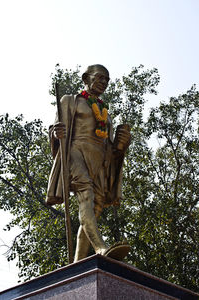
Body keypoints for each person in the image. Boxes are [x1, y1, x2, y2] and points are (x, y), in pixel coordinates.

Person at [46, 64, 131, 262]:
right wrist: (56, 134)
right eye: (100, 77)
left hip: (99, 160)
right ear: (86, 78)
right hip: (76, 152)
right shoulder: (70, 101)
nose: (103, 82)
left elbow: (109, 144)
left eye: (107, 80)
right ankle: (100, 247)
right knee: (86, 195)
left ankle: (77, 263)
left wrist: (120, 145)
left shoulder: (105, 112)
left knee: (95, 207)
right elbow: (56, 131)